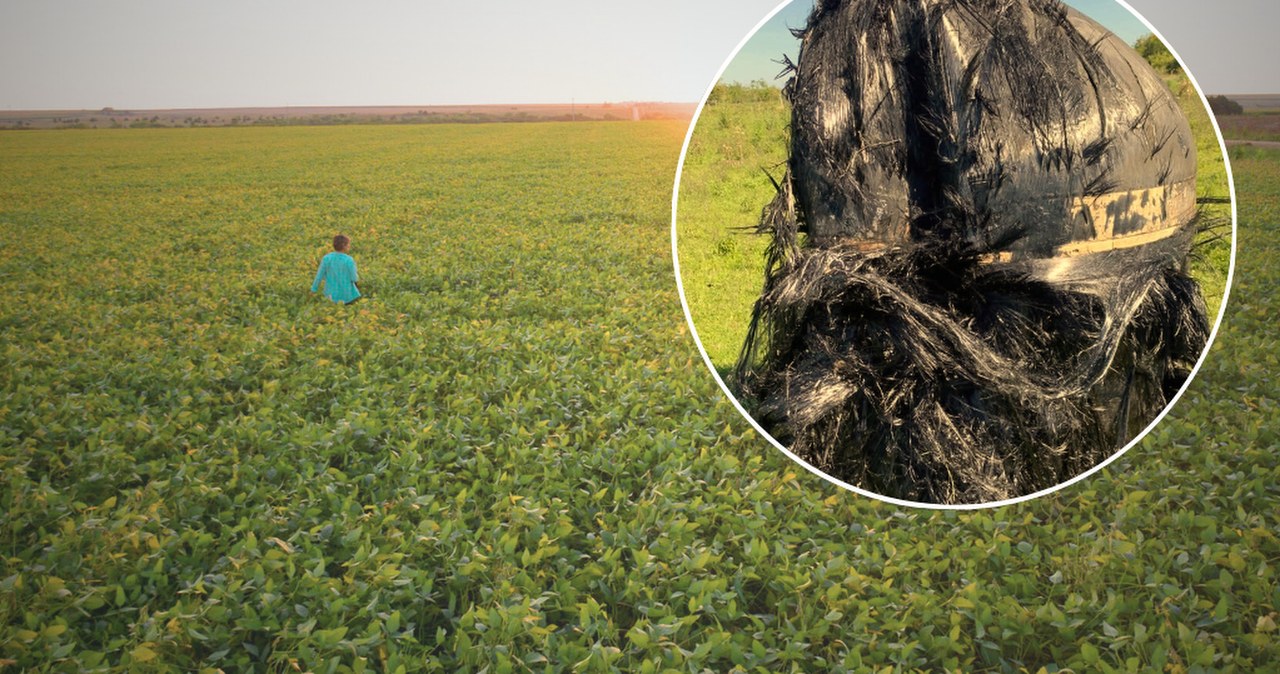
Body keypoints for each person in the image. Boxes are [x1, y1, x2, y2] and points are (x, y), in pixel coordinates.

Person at [311, 234, 361, 304]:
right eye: (348, 244)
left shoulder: (326, 258)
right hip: (347, 295)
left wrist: (313, 289)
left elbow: (319, 276)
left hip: (330, 295)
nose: (349, 246)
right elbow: (354, 278)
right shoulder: (349, 260)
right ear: (344, 246)